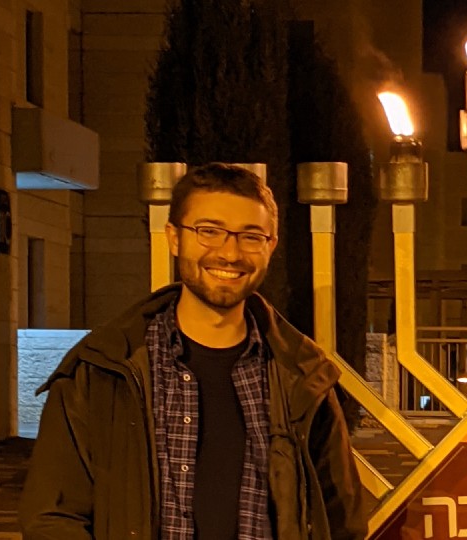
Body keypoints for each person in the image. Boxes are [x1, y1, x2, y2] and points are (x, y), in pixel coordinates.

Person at [20, 163, 365, 539]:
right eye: (209, 231)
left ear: (271, 247)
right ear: (173, 237)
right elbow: (52, 517)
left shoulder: (304, 376)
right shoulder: (99, 371)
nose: (230, 253)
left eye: (251, 236)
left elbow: (342, 519)